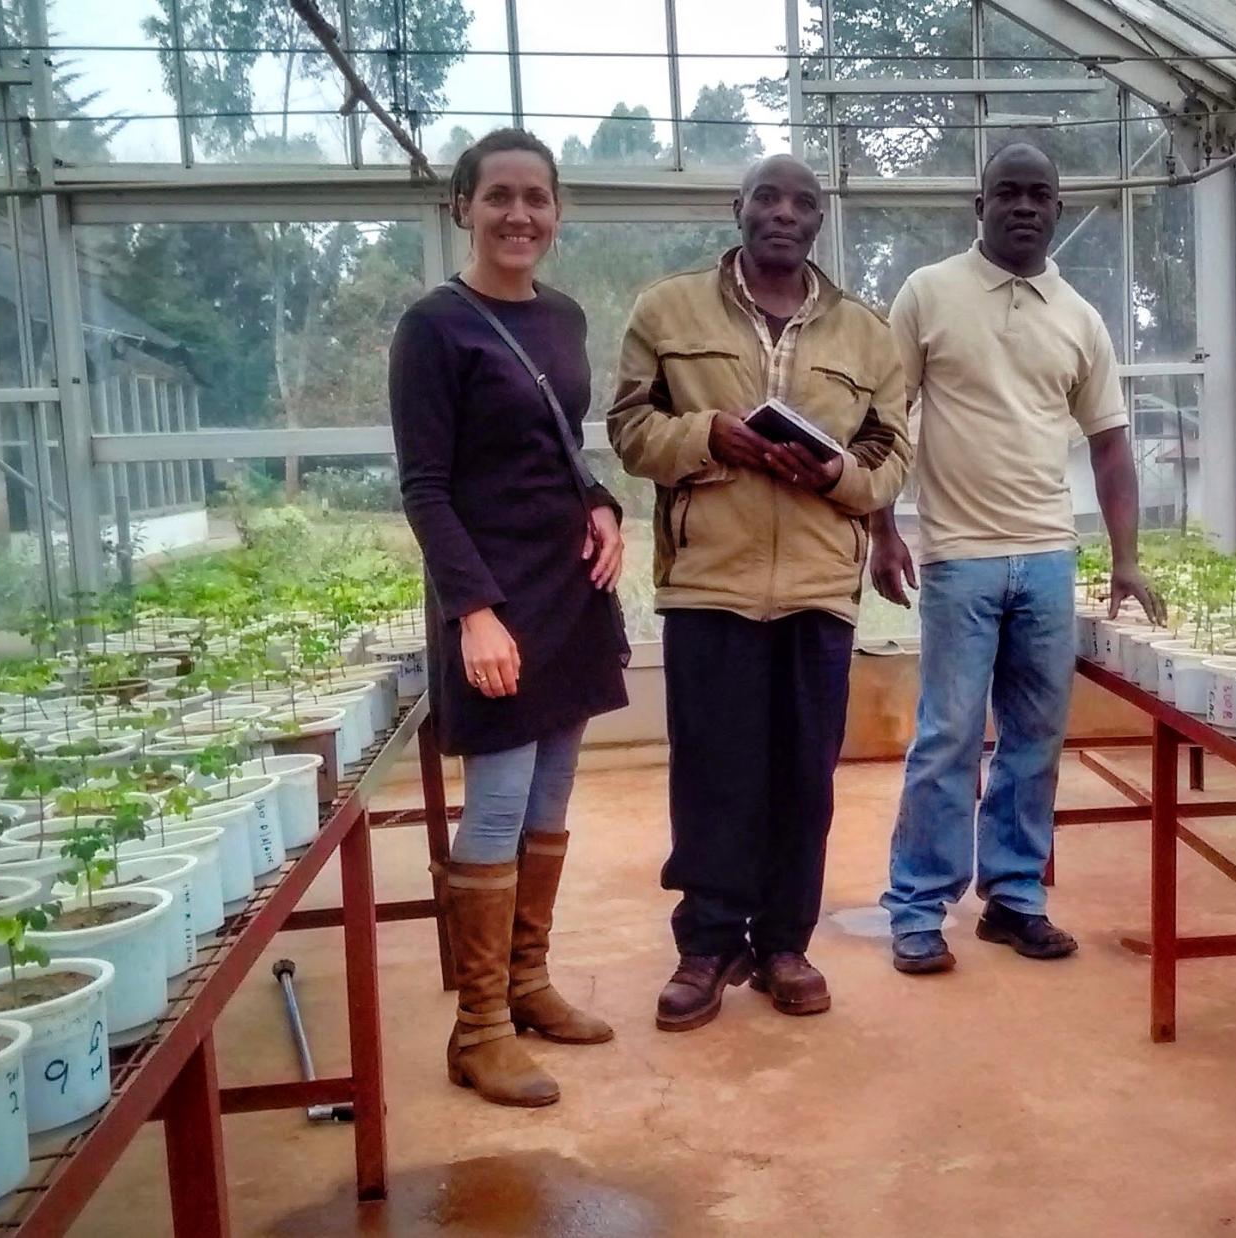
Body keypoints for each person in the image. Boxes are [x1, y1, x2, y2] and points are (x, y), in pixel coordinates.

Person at [611, 153, 911, 1032]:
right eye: (767, 198)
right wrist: (712, 436)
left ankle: (785, 943)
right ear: (735, 208)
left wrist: (837, 477)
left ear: (820, 221)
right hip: (711, 583)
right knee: (714, 776)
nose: (784, 213)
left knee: (802, 780)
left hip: (820, 586)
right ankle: (706, 947)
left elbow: (892, 453)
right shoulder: (667, 309)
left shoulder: (868, 331)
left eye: (802, 203)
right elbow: (629, 429)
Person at [872, 142, 1164, 975]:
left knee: (1035, 739)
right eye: (1009, 193)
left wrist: (1126, 559)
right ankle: (919, 905)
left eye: (1041, 194)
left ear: (1058, 210)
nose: (1025, 206)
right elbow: (886, 421)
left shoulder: (1079, 316)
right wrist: (883, 528)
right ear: (980, 205)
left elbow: (1111, 446)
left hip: (1046, 557)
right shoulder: (929, 293)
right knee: (948, 738)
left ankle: (1015, 899)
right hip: (958, 557)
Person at [389, 128, 629, 1107]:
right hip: (492, 594)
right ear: (463, 207)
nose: (519, 214)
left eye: (537, 197)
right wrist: (474, 612)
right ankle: (477, 1024)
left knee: (551, 799)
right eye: (499, 196)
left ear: (557, 211)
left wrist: (605, 502)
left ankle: (527, 984)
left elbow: (560, 442)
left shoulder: (563, 318)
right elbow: (425, 486)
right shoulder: (433, 328)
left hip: (568, 589)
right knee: (495, 802)